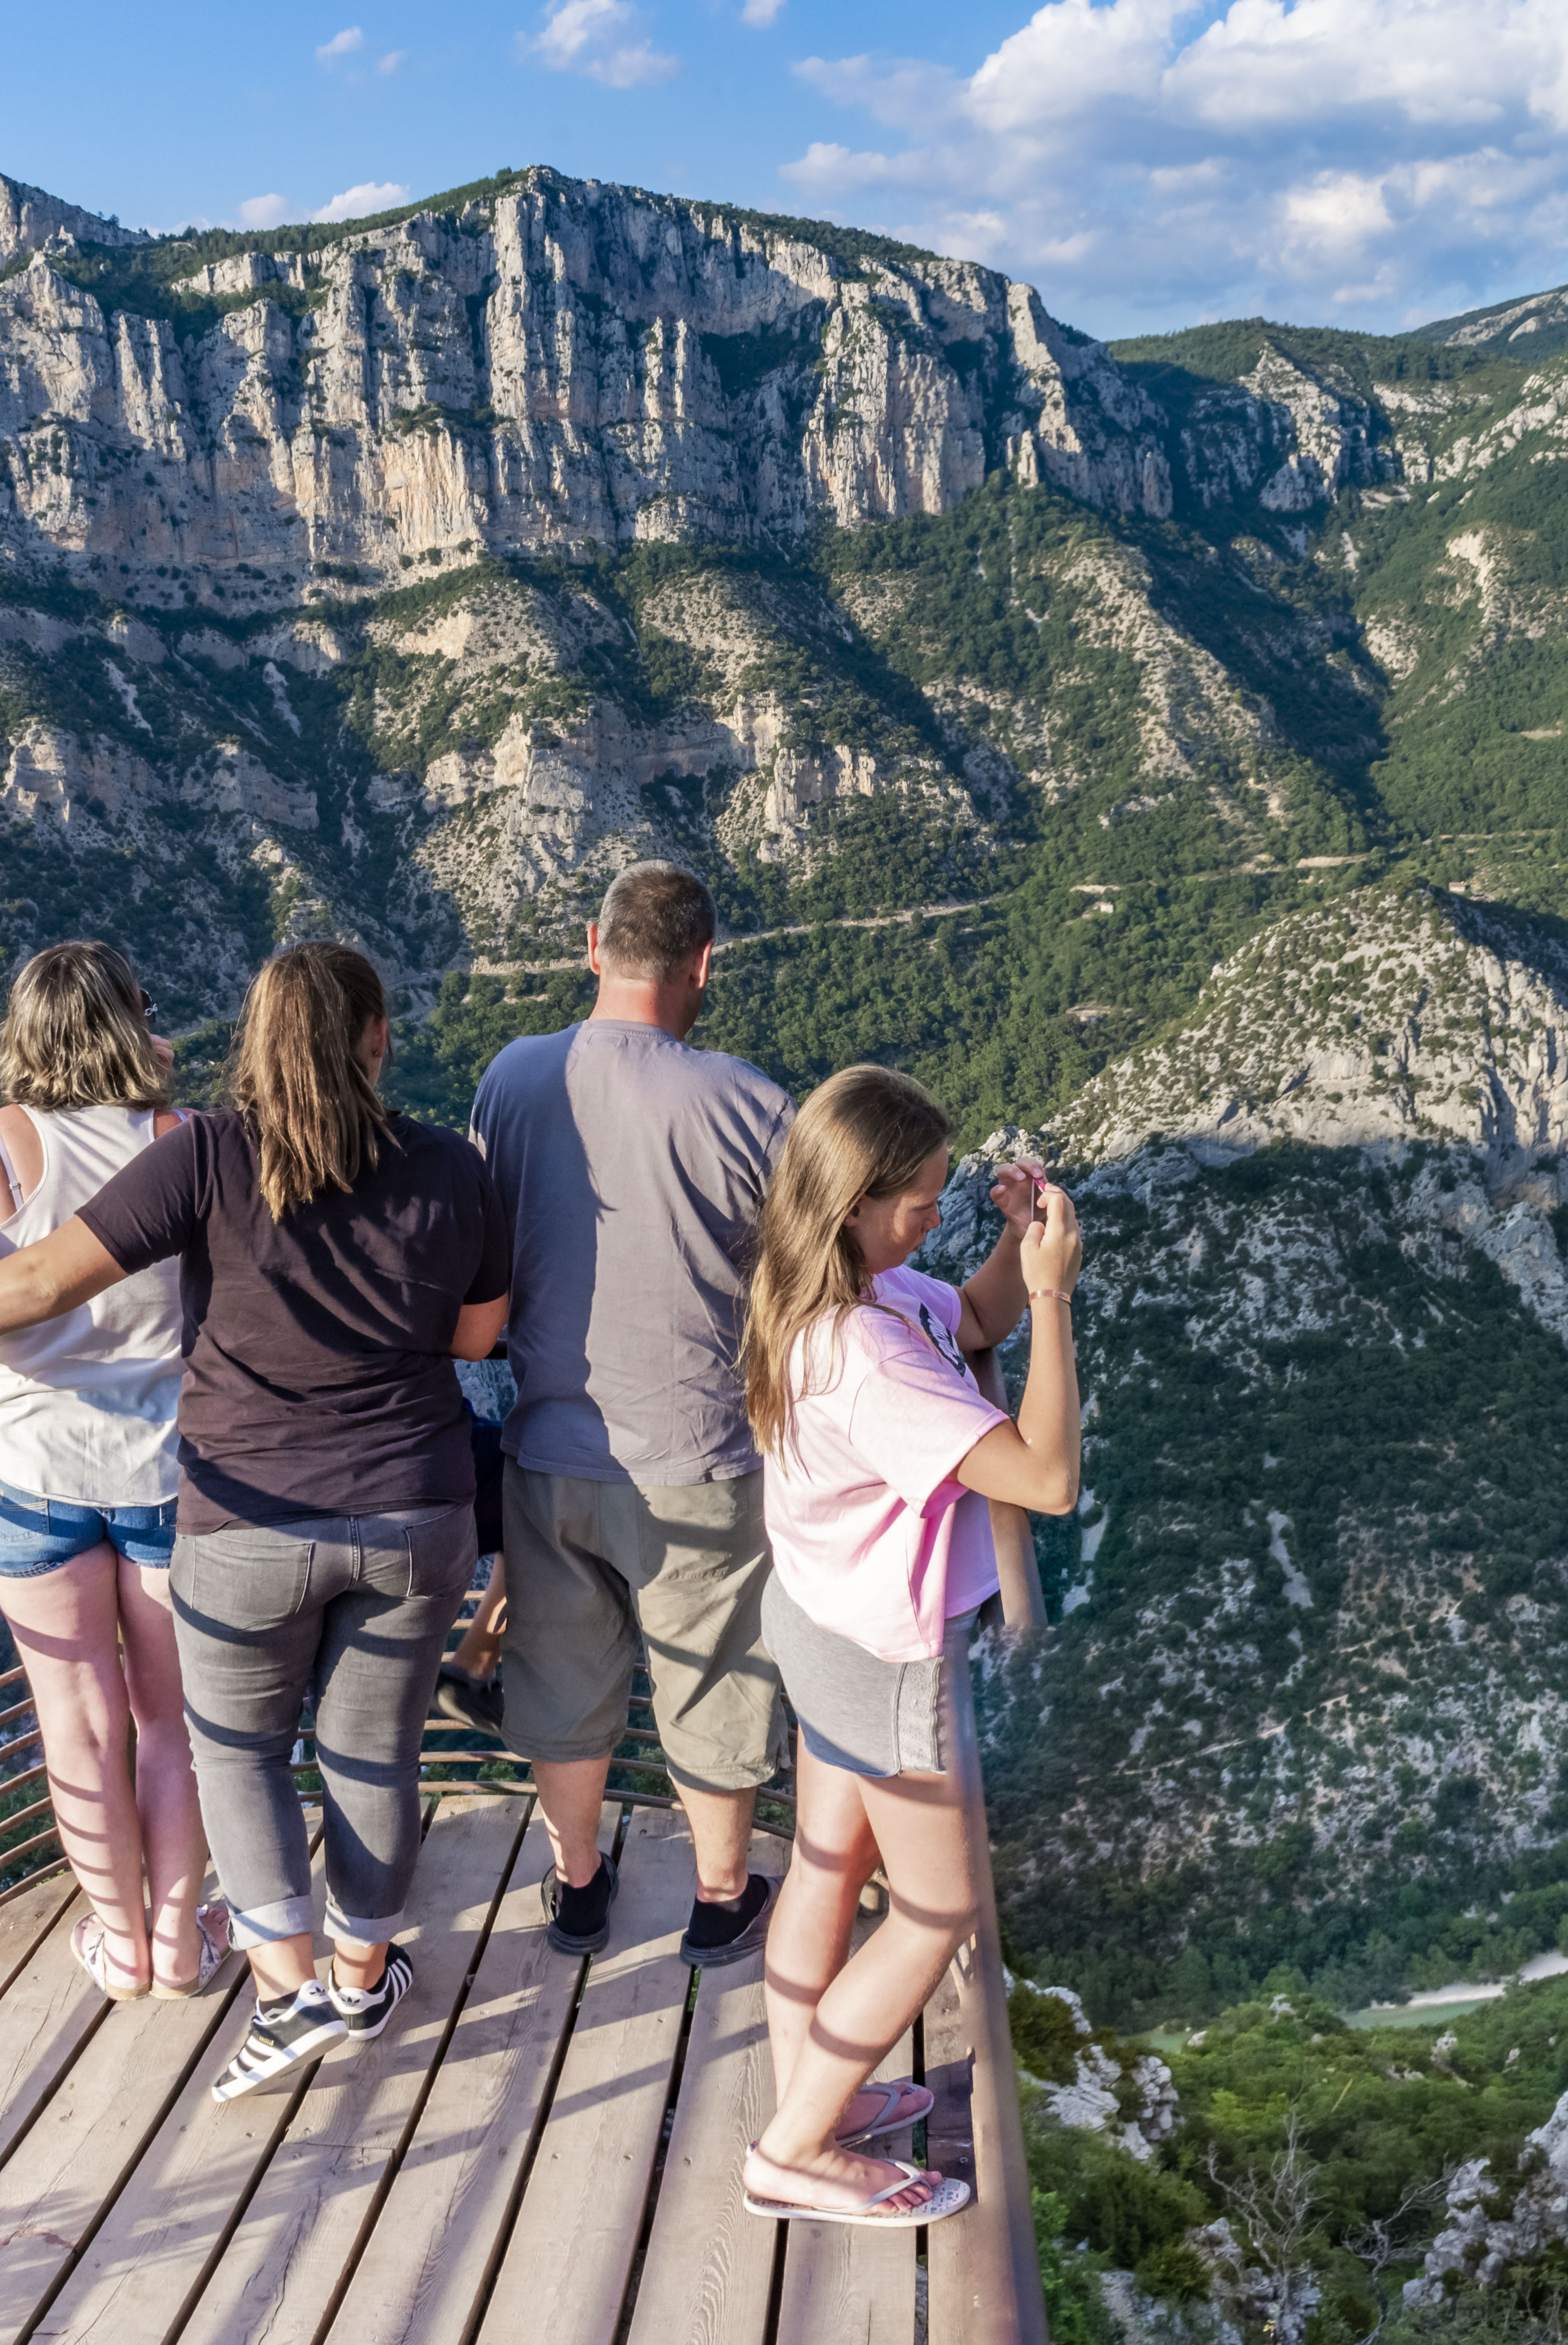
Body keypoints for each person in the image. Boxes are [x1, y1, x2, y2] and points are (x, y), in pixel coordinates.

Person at [0, 941, 509, 2104]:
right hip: (410, 1505)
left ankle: (274, 1988)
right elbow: (479, 1340)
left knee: (228, 1747)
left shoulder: (208, 1156)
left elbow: (38, 1284)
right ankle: (358, 1974)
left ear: (254, 1042)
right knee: (369, 1750)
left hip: (238, 1513)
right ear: (379, 1042)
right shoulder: (448, 1163)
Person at [736, 1067, 1082, 2226]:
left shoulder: (837, 1289)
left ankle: (815, 2093)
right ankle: (792, 2151)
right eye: (925, 1205)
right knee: (935, 1914)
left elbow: (964, 1317)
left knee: (828, 1868)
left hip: (816, 1621)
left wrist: (1011, 1243)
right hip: (885, 1657)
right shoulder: (869, 1359)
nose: (937, 1218)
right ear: (859, 1204)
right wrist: (1055, 1300)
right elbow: (1046, 1478)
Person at [468, 862, 793, 1968]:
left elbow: (483, 1255)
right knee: (713, 1680)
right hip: (701, 1454)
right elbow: (803, 1283)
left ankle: (577, 1888)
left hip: (549, 1445)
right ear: (703, 965)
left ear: (591, 948)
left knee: (561, 1681)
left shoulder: (511, 1081)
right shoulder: (749, 1102)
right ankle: (716, 1898)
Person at [0, 942, 215, 2003]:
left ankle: (120, 1948)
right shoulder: (186, 1140)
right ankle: (181, 1944)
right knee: (179, 1717)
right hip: (170, 1469)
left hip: (31, 1467)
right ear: (135, 1022)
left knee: (79, 1718)